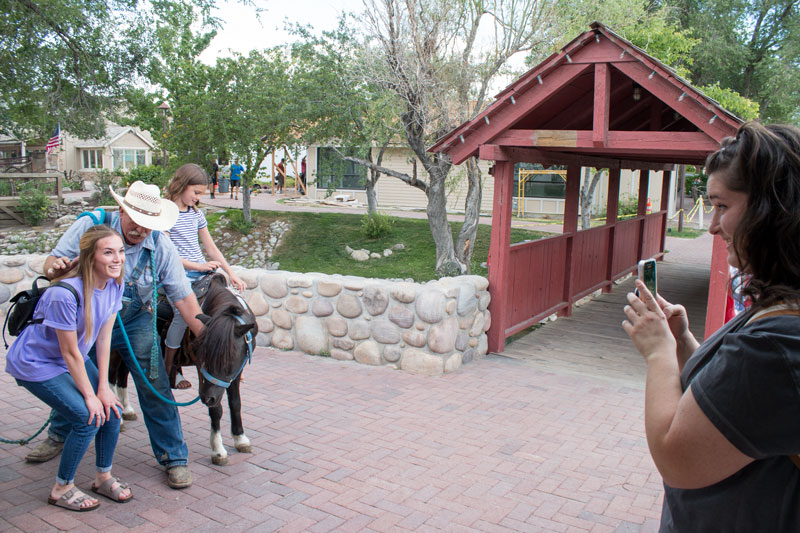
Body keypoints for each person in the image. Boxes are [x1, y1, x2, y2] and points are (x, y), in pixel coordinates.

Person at [622, 122, 800, 531]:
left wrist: (658, 352)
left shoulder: (777, 345)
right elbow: (738, 400)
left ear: (770, 211)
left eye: (721, 206)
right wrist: (684, 341)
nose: (712, 226)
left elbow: (675, 456)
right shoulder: (783, 313)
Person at [25, 180, 205, 490]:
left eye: (149, 225)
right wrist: (56, 268)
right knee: (77, 376)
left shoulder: (160, 246)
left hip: (136, 322)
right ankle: (59, 433)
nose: (140, 230)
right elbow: (51, 265)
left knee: (154, 384)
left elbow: (185, 299)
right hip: (88, 320)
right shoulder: (91, 225)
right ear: (122, 209)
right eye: (135, 220)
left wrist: (211, 343)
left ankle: (173, 456)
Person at [6, 225, 133, 511]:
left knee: (111, 409)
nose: (118, 259)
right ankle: (61, 488)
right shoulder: (64, 294)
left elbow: (103, 338)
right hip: (36, 362)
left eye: (121, 251)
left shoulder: (115, 284)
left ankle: (103, 477)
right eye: (108, 252)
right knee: (88, 417)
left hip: (70, 358)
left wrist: (104, 387)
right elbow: (69, 352)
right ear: (90, 257)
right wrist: (90, 396)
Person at [163, 163, 247, 389]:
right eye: (196, 192)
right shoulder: (167, 213)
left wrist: (231, 273)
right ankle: (168, 366)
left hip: (202, 272)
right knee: (184, 315)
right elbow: (168, 254)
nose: (198, 197)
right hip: (178, 275)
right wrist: (199, 267)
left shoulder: (195, 214)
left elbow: (210, 247)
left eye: (200, 193)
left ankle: (226, 362)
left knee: (226, 306)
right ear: (181, 185)